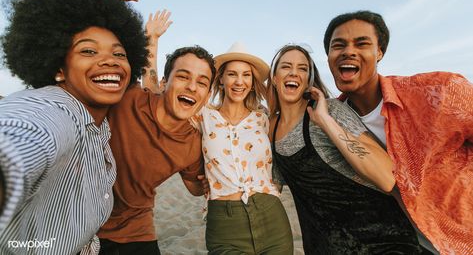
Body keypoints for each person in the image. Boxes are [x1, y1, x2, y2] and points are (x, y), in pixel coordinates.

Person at [0, 0, 148, 254]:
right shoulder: (56, 108)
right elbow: (21, 134)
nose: (109, 61)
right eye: (88, 51)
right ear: (58, 68)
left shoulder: (101, 127)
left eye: (120, 54)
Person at [323, 10, 473, 254]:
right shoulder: (332, 119)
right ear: (328, 56)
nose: (348, 51)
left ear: (380, 52)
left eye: (362, 43)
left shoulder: (439, 92)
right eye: (338, 45)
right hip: (408, 244)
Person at [268, 44, 427, 254]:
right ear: (274, 77)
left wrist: (325, 121)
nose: (294, 73)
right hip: (323, 247)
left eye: (303, 68)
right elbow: (270, 187)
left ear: (308, 80)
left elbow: (387, 178)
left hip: (383, 241)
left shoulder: (331, 110)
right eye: (286, 66)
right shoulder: (271, 127)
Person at [144, 40, 293, 254]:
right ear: (220, 78)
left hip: (272, 216)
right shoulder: (203, 116)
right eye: (232, 74)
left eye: (246, 75)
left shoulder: (264, 119)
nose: (239, 81)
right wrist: (152, 42)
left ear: (252, 81)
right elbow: (157, 99)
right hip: (224, 222)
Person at [97, 38, 216, 254]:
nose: (191, 86)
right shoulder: (128, 96)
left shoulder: (193, 143)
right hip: (77, 221)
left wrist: (208, 184)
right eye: (183, 76)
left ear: (207, 97)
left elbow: (195, 187)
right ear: (163, 83)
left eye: (202, 82)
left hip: (135, 229)